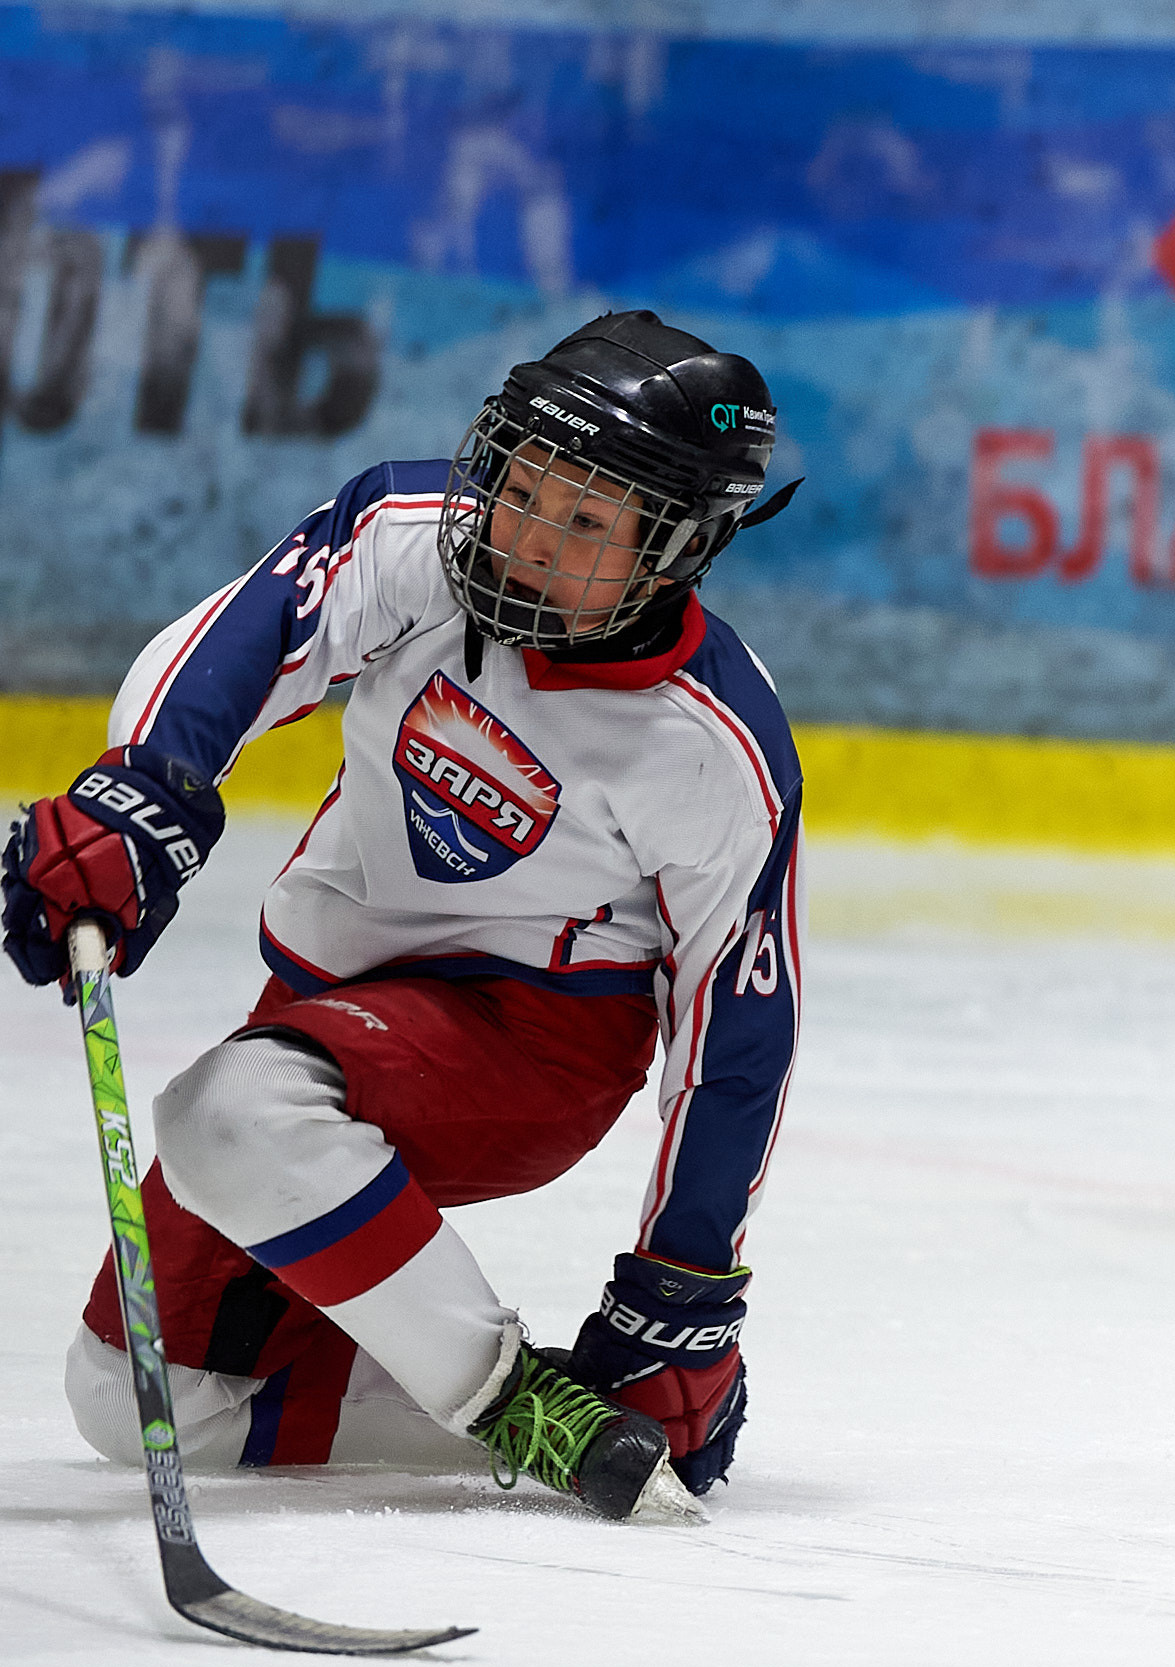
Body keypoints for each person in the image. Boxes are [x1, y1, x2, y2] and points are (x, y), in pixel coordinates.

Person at [3, 311, 803, 1520]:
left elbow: (737, 1033)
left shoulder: (716, 744)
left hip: (532, 1046)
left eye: (584, 522)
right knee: (137, 1394)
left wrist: (683, 1283)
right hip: (330, 1005)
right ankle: (546, 1410)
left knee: (233, 1112)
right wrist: (144, 792)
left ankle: (511, 1407)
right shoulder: (415, 540)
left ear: (679, 546)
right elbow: (255, 631)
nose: (526, 537)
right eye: (522, 489)